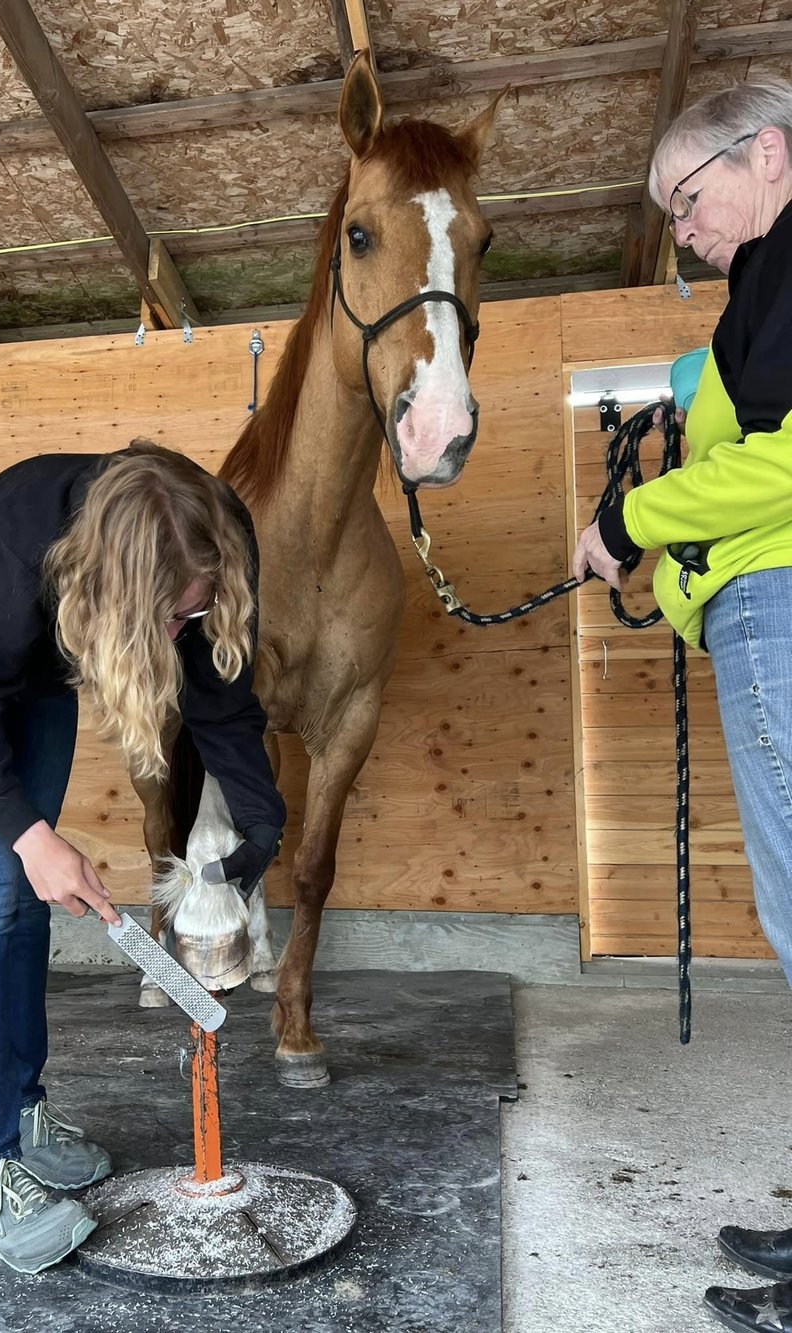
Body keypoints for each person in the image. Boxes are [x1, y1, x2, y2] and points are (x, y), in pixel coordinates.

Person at [0, 439, 285, 1274]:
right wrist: (32, 837)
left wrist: (262, 819)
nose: (180, 632)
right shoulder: (19, 545)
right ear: (118, 586)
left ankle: (24, 1113)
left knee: (28, 898)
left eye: (192, 613)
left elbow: (219, 694)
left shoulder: (208, 536)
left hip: (40, 662)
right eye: (167, 617)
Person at [571, 80, 792, 1332]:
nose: (684, 232)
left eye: (688, 201)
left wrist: (630, 519)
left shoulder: (785, 261)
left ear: (762, 152)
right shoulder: (758, 288)